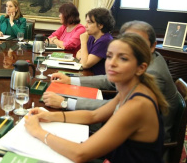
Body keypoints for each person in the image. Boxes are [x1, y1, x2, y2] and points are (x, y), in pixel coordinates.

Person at [25, 33, 168, 162]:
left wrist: (38, 132)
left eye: (123, 58)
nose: (112, 63)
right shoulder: (131, 89)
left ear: (141, 68)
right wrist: (50, 116)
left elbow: (79, 154)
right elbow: (94, 115)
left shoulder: (138, 104)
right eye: (110, 56)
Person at [43, 20, 179, 141]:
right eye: (128, 41)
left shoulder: (151, 76)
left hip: (134, 143)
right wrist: (71, 81)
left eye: (138, 42)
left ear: (152, 46)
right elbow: (107, 83)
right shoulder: (141, 63)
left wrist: (65, 103)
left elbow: (82, 152)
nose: (132, 47)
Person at [76, 7, 115, 75]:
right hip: (88, 75)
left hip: (99, 81)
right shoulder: (92, 37)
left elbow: (85, 64)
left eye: (89, 23)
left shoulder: (105, 40)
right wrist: (82, 59)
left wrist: (83, 42)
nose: (85, 26)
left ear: (100, 25)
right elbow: (78, 53)